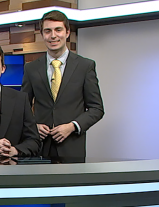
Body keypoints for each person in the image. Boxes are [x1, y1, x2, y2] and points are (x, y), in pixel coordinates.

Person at [22, 10, 104, 163]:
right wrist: (33, 126)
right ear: (42, 35)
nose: (53, 36)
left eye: (58, 30)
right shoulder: (31, 68)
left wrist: (72, 126)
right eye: (48, 31)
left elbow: (97, 109)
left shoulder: (85, 66)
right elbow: (22, 107)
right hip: (40, 147)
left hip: (72, 147)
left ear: (67, 33)